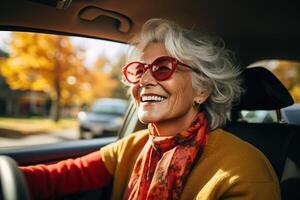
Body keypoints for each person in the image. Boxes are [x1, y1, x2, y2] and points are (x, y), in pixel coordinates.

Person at [20, 19, 280, 200]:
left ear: (202, 90)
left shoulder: (243, 171)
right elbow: (58, 178)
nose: (144, 80)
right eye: (140, 70)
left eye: (163, 67)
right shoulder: (133, 146)